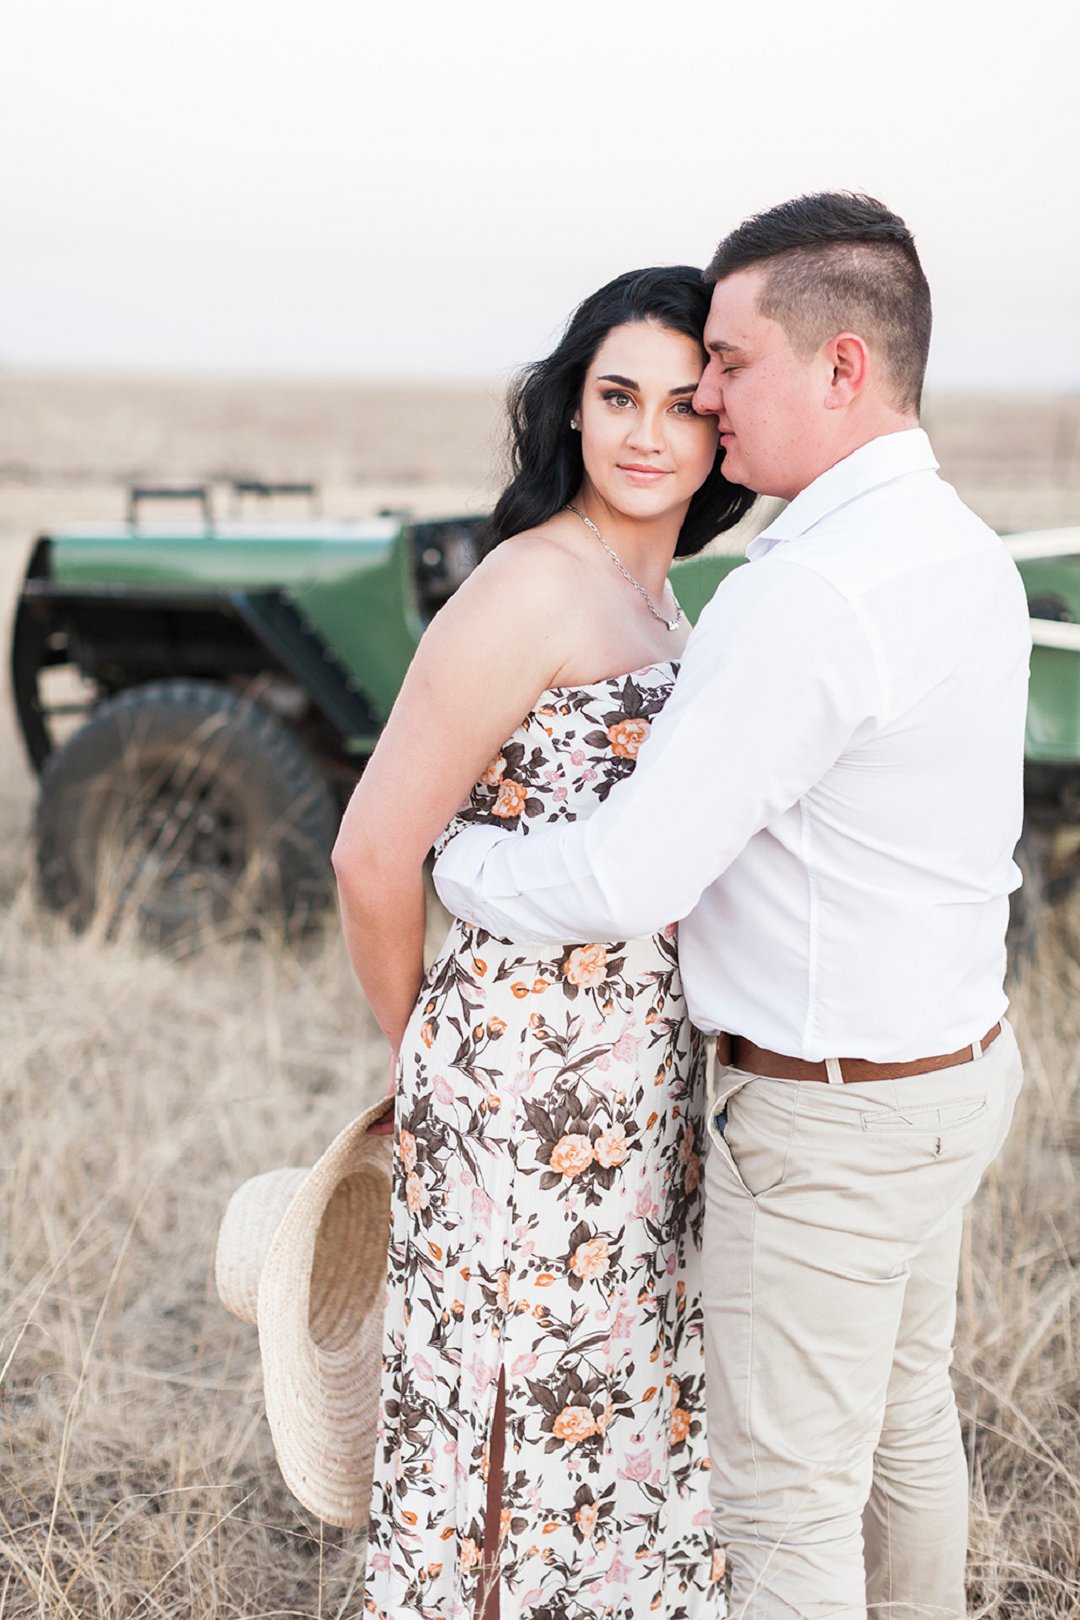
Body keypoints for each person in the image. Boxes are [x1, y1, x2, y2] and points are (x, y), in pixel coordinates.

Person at [434, 193, 1031, 1620]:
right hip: (953, 1076)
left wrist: (463, 868)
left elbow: (629, 876)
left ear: (842, 367)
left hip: (830, 1121)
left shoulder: (807, 593)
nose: (705, 396)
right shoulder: (962, 548)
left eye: (729, 362)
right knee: (905, 1427)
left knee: (781, 1515)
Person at [333, 265, 755, 1619]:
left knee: (612, 1409)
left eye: (684, 406)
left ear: (723, 429)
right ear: (572, 409)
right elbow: (370, 852)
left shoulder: (666, 600)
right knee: (513, 1413)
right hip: (518, 1089)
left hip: (639, 1079)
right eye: (617, 396)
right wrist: (421, 1047)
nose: (647, 434)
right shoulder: (529, 585)